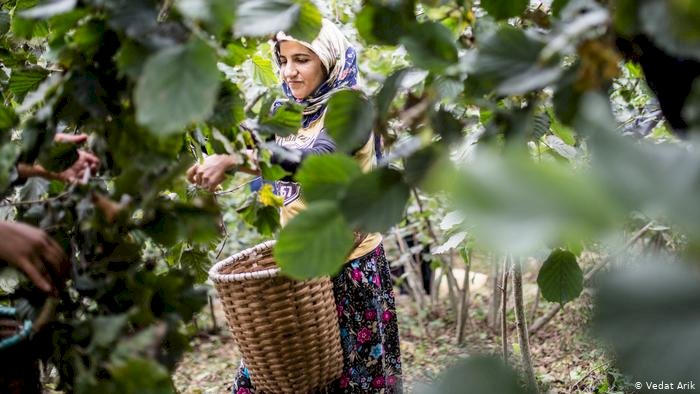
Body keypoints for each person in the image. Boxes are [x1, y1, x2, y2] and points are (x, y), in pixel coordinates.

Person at [187, 19, 403, 394]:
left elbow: (316, 159)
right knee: (272, 375)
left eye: (302, 59)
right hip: (298, 272)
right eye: (284, 60)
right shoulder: (284, 109)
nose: (290, 71)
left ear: (327, 60)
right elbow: (266, 164)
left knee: (354, 381)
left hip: (348, 270)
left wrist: (237, 159)